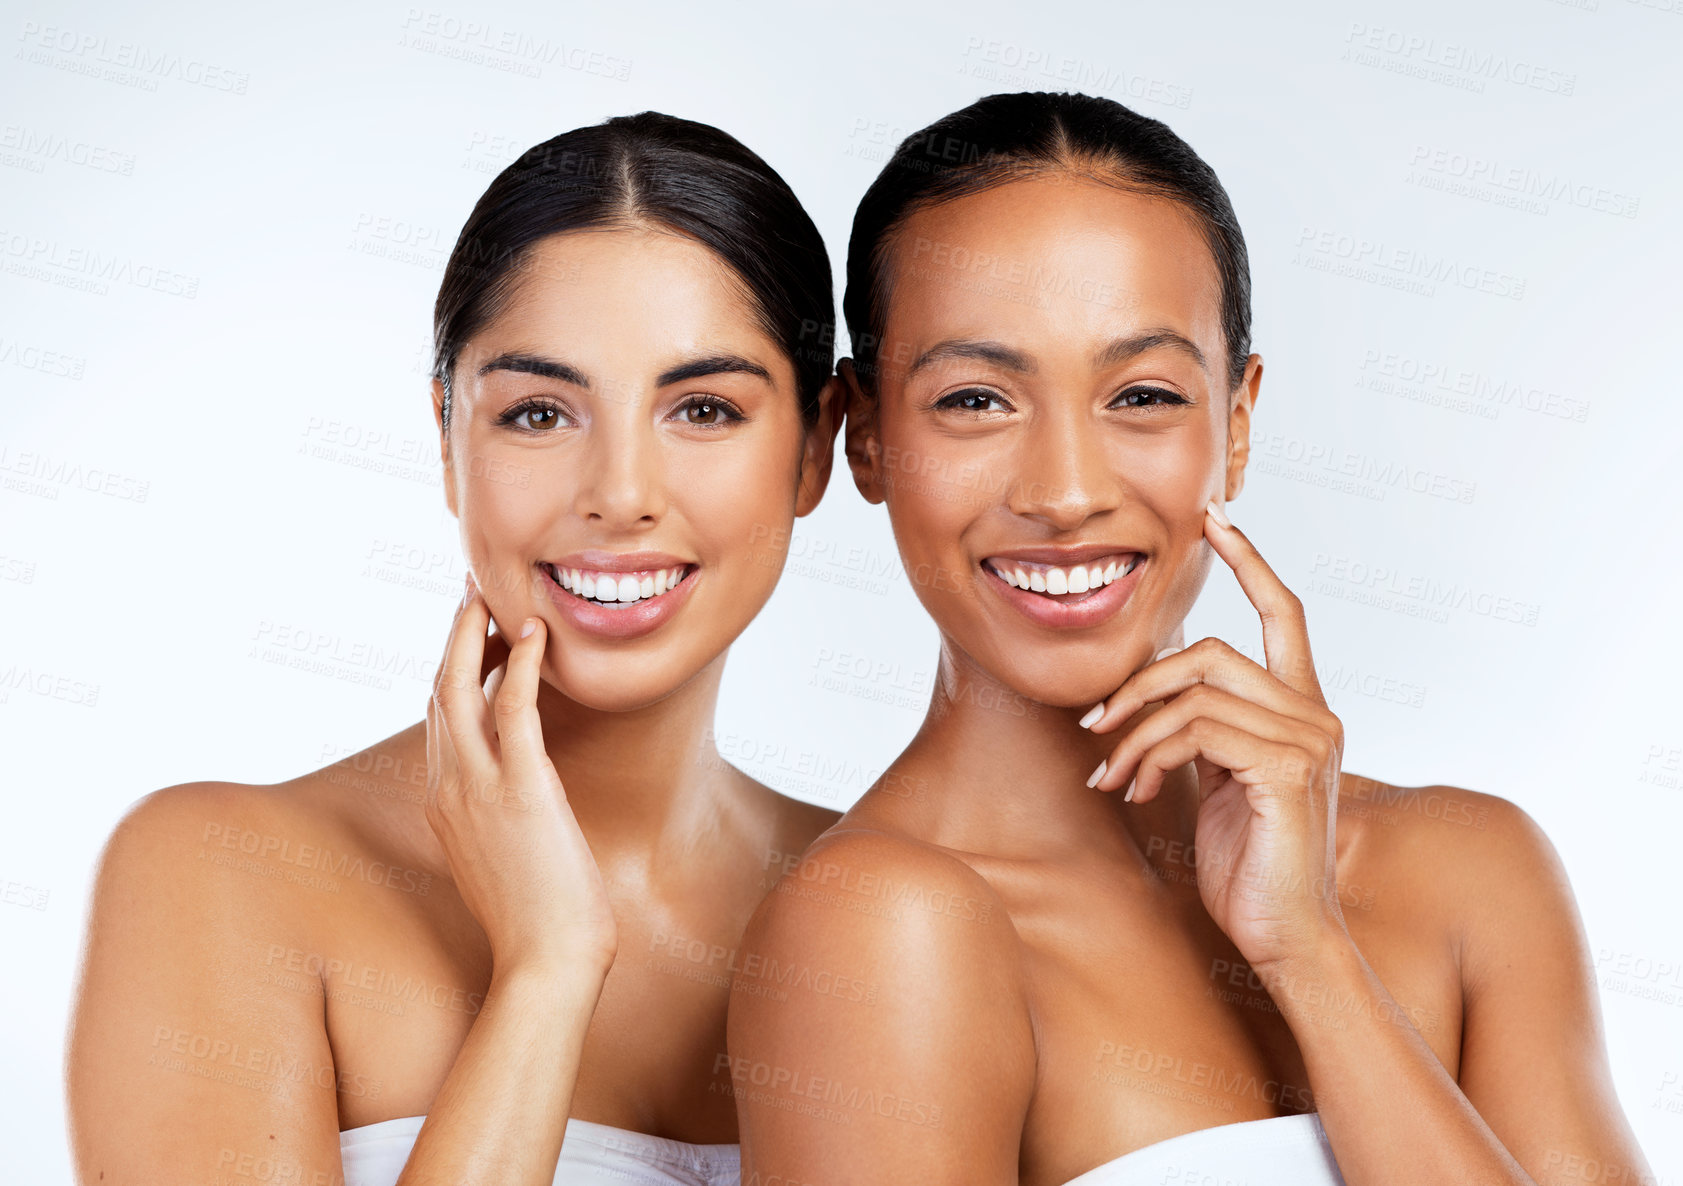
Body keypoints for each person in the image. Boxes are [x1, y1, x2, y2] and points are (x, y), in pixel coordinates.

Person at [727, 91, 1654, 1186]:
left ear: (1240, 422)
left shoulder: (1470, 873)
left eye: (1143, 394)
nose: (1065, 492)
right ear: (869, 437)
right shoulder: (880, 933)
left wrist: (1309, 953)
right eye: (977, 399)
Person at [66, 111, 844, 1186]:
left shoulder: (899, 901)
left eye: (703, 408)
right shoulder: (221, 871)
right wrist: (545, 969)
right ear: (446, 439)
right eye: (537, 414)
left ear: (818, 447)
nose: (620, 494)